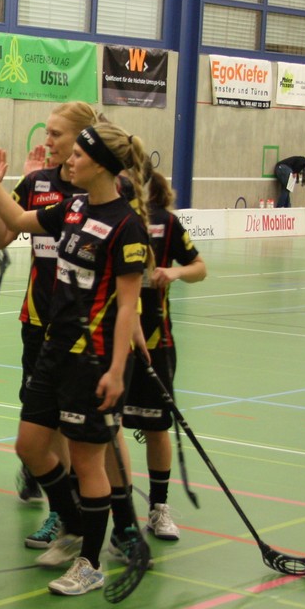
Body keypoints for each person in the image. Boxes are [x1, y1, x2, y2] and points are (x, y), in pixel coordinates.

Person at [0, 120, 151, 597]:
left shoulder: (127, 226)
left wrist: (116, 371)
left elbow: (127, 308)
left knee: (88, 462)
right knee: (30, 445)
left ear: (100, 165)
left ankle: (89, 563)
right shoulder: (73, 207)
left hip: (92, 360)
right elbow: (18, 222)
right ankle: (74, 523)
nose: (68, 160)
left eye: (77, 155)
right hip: (54, 348)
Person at [0, 102, 95, 549]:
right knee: (47, 423)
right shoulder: (37, 184)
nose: (47, 141)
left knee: (82, 429)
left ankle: (112, 517)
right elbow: (2, 235)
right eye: (47, 133)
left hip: (87, 326)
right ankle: (62, 512)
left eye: (55, 134)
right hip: (38, 320)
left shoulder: (99, 190)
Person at [122, 163, 206, 542]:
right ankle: (114, 513)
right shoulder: (107, 217)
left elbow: (199, 267)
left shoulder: (165, 222)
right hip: (110, 340)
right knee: (103, 431)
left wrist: (174, 273)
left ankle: (159, 508)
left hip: (156, 343)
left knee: (157, 428)